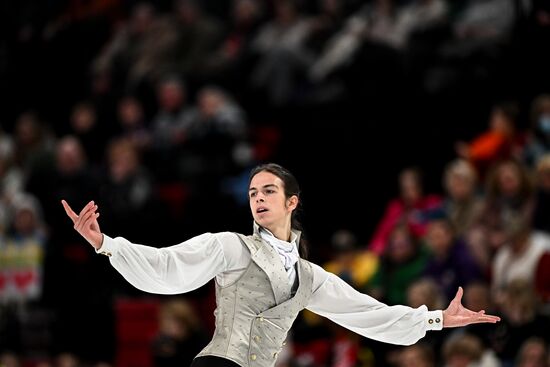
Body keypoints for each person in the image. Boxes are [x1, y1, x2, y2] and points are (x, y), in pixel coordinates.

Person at [61, 163, 500, 367]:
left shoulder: (308, 276)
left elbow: (369, 315)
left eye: (268, 191)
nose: (258, 199)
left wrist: (439, 319)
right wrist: (106, 244)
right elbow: (168, 268)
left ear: (292, 202)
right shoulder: (231, 247)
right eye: (252, 193)